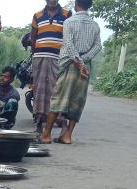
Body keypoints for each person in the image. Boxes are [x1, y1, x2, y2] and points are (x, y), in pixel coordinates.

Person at [38, 0, 101, 145]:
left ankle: (46, 134)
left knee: (58, 98)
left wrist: (78, 61)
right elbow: (98, 46)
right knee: (77, 101)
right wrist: (84, 61)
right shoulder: (95, 25)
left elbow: (68, 44)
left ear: (76, 4)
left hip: (69, 64)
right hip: (85, 67)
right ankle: (67, 135)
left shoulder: (69, 22)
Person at [30, 0, 73, 130]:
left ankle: (58, 117)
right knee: (39, 89)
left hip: (58, 58)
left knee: (56, 88)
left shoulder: (67, 14)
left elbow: (69, 36)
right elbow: (33, 37)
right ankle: (39, 117)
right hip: (40, 57)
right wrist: (35, 53)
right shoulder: (37, 15)